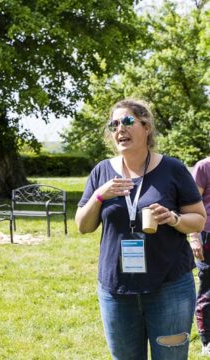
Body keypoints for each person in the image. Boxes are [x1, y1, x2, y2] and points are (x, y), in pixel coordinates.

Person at [75, 98, 206, 359]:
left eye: (126, 121)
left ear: (146, 126)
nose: (119, 129)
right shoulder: (102, 171)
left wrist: (173, 218)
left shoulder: (173, 169)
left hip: (169, 287)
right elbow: (83, 225)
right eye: (113, 124)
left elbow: (199, 219)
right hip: (117, 290)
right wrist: (100, 196)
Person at [190, 156, 210, 355]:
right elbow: (190, 203)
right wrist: (194, 236)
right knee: (207, 290)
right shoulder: (204, 167)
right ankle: (207, 340)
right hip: (207, 235)